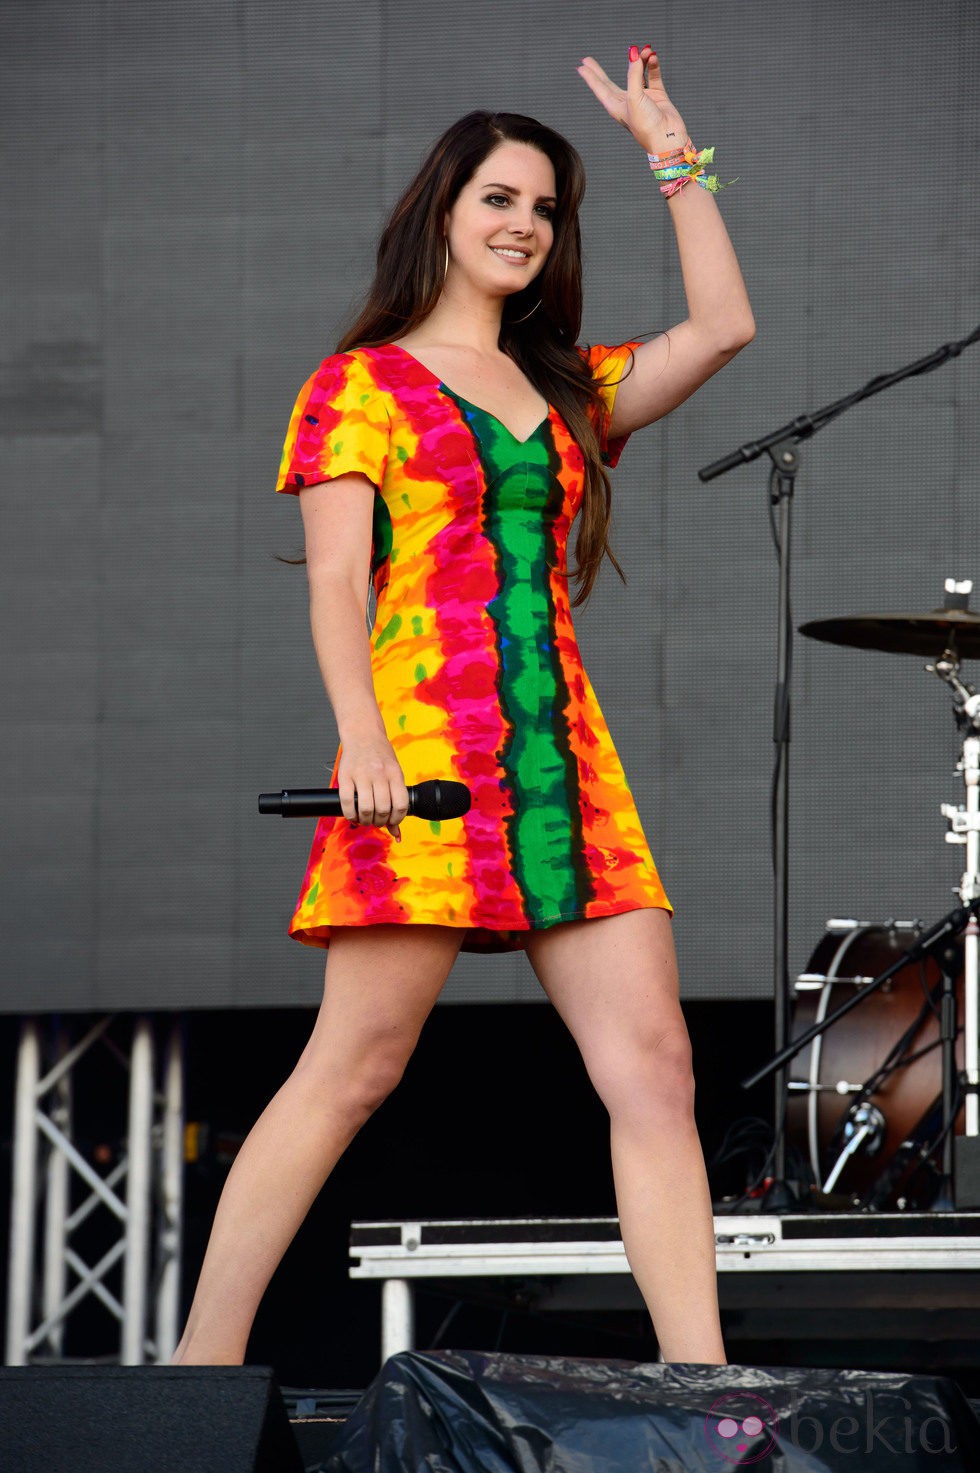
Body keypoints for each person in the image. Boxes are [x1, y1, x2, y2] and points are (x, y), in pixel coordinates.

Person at [173, 44, 754, 1368]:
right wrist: (363, 740)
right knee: (353, 1068)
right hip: (422, 753)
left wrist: (677, 155)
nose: (524, 226)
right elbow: (336, 587)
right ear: (443, 207)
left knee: (654, 1073)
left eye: (546, 209)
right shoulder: (357, 385)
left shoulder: (565, 388)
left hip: (564, 763)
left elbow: (723, 327)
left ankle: (709, 1394)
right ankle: (195, 1379)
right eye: (500, 197)